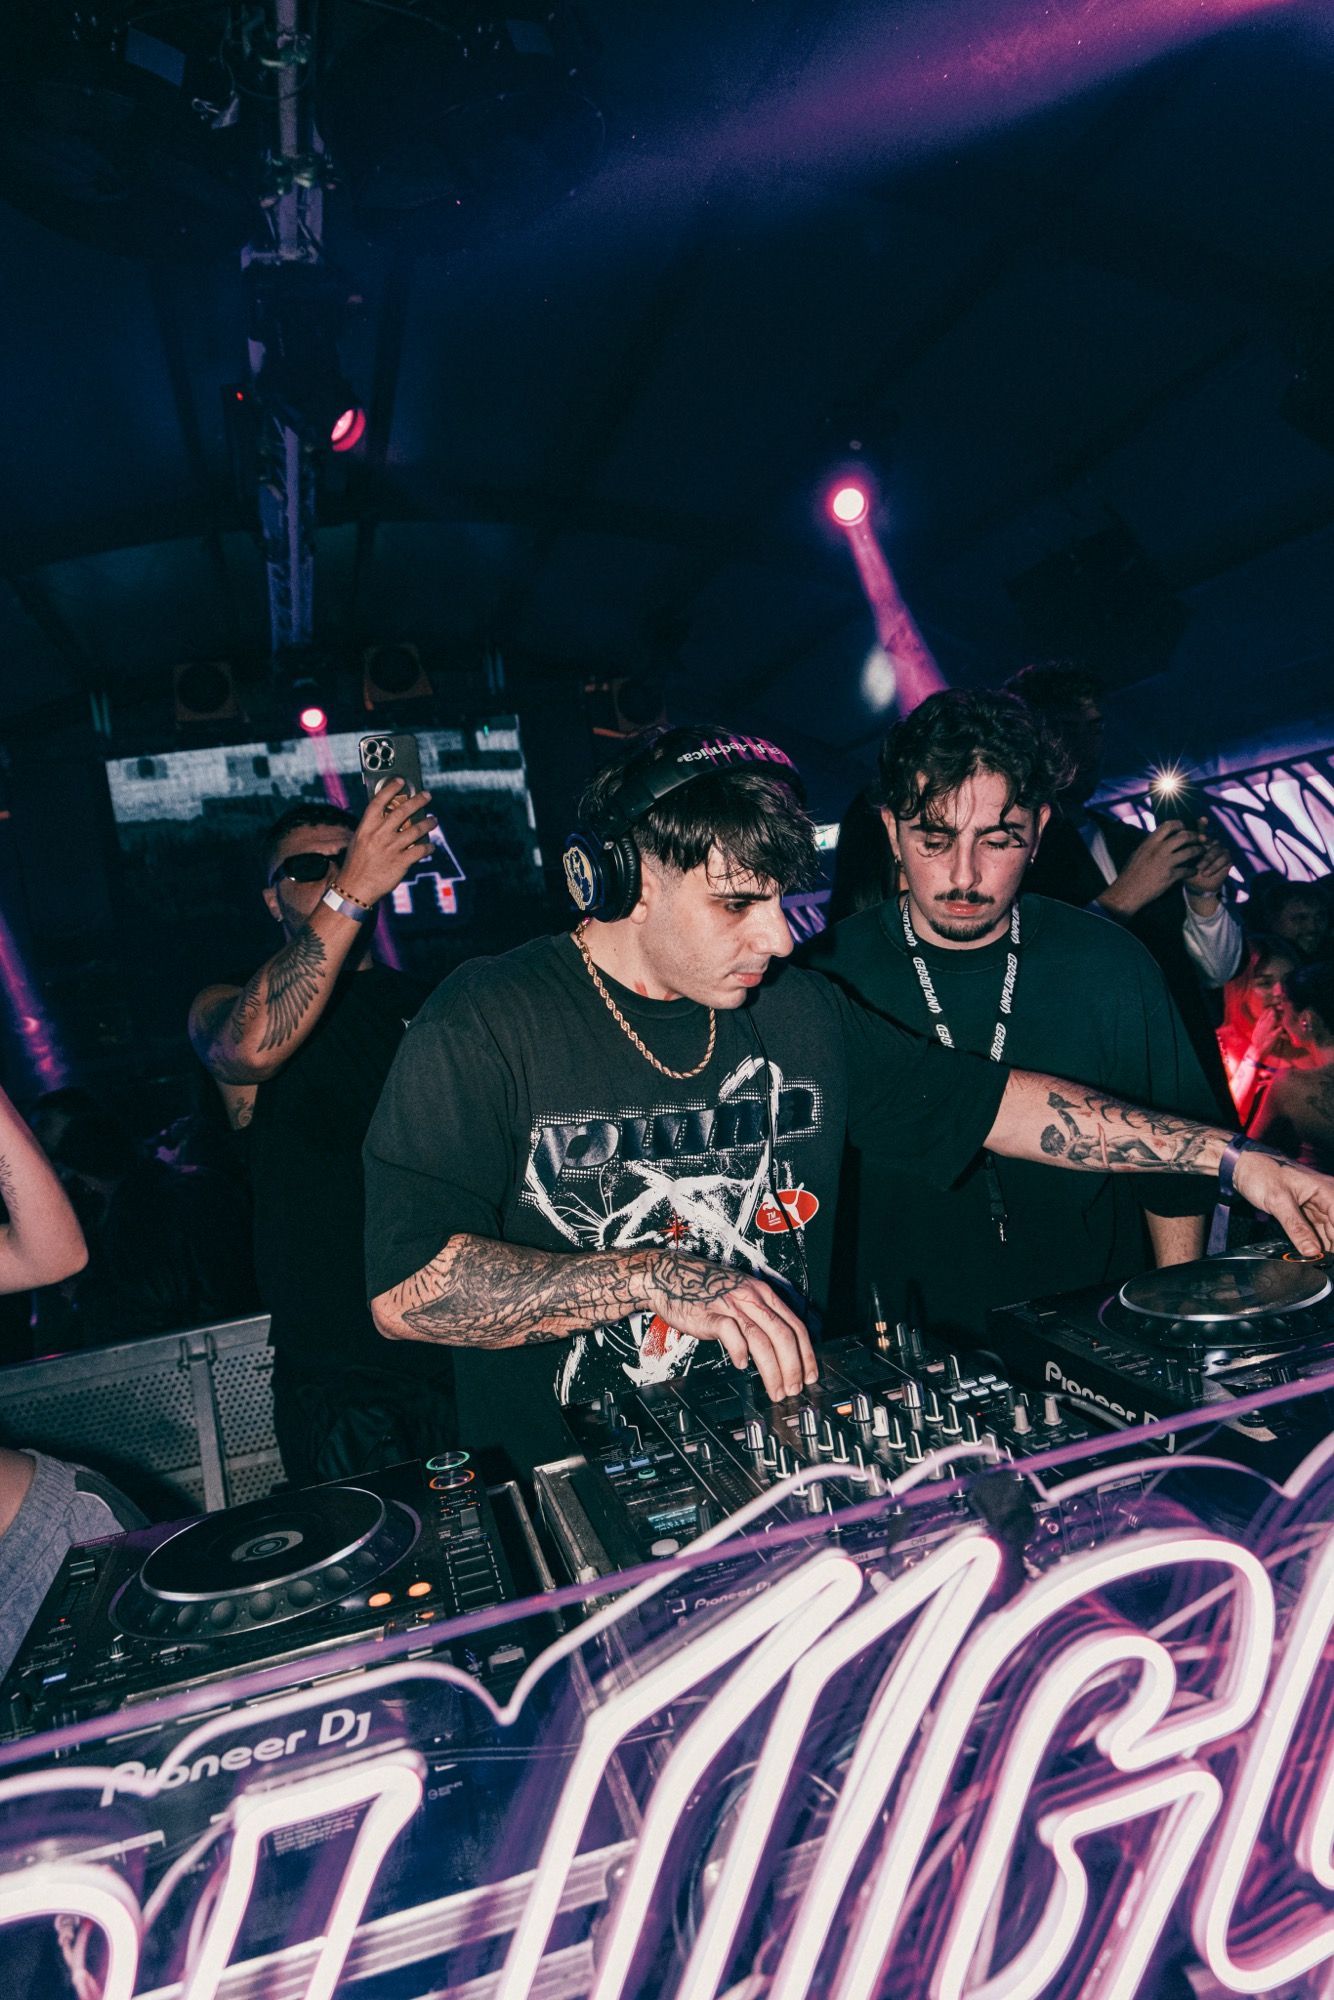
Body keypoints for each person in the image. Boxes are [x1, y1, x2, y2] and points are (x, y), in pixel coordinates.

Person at [361, 725, 1334, 1479]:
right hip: (567, 1489)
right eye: (737, 903)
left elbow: (1001, 1106)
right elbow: (409, 1292)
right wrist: (650, 1277)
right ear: (625, 879)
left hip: (783, 1468)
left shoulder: (797, 1012)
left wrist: (1231, 1158)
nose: (779, 938)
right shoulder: (488, 1020)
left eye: (780, 899)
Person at [804, 690, 1216, 1345]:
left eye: (998, 840)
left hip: (1096, 1327)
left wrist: (1177, 1326)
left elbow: (1174, 1177)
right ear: (890, 832)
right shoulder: (823, 976)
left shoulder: (1111, 963)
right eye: (934, 839)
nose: (964, 875)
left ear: (1040, 831)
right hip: (906, 1347)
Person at [189, 784, 458, 1488]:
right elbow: (246, 1050)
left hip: (460, 1345)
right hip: (342, 1373)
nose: (336, 874)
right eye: (309, 869)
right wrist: (351, 892)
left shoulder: (431, 1003)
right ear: (271, 898)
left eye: (349, 857)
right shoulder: (226, 1002)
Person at [1005, 663, 1240, 1112]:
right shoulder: (1009, 855)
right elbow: (1023, 985)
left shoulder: (1131, 840)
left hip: (1191, 1081)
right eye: (1066, 730)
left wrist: (1204, 896)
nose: (1087, 747)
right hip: (1098, 1100)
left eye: (1096, 729)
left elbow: (1215, 972)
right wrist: (1125, 897)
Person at [1251, 962, 1334, 1173]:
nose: (1281, 1020)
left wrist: (1254, 1055)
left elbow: (1246, 1154)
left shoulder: (1289, 1085)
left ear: (1306, 1020)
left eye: (1283, 1009)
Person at [1217, 935, 1303, 1125]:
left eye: (1288, 981)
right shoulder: (1221, 1044)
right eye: (1265, 983)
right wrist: (1256, 1053)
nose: (1280, 993)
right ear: (1241, 990)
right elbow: (1225, 1119)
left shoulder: (1308, 1039)